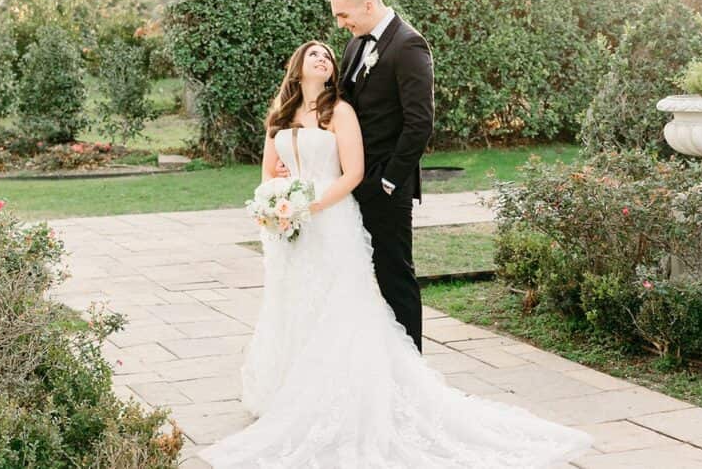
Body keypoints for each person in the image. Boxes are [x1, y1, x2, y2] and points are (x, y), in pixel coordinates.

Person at [199, 25, 590, 467]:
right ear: (298, 66)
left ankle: (349, 392)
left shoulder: (340, 111)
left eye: (328, 56)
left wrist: (309, 205)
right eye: (314, 55)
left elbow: (352, 173)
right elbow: (270, 170)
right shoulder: (280, 115)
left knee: (340, 304)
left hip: (329, 218)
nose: (324, 59)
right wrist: (275, 203)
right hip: (290, 227)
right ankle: (287, 390)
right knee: (292, 303)